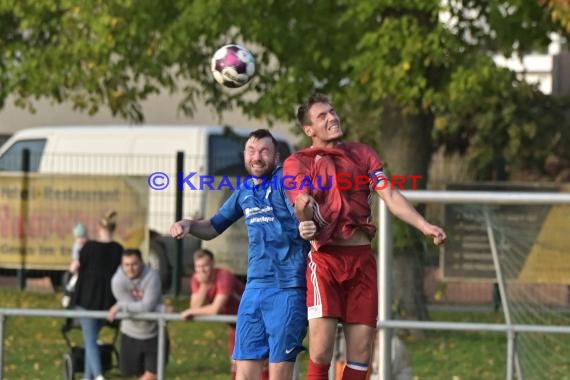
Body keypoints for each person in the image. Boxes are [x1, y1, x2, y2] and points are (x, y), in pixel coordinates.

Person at [283, 93, 447, 380]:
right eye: (322, 116)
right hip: (326, 263)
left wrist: (424, 225)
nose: (332, 117)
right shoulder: (298, 162)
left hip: (362, 262)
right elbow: (301, 200)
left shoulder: (362, 154)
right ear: (309, 130)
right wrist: (304, 217)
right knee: (321, 352)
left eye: (333, 112)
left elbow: (390, 194)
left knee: (360, 357)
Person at [170, 129, 308, 380]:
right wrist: (189, 224)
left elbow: (303, 211)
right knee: (244, 372)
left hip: (287, 288)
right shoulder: (244, 191)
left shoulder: (286, 183)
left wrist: (306, 219)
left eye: (264, 151)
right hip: (253, 289)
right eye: (252, 151)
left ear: (276, 157)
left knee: (279, 373)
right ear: (245, 155)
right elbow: (212, 227)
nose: (257, 157)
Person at [180, 249, 265, 380]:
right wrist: (204, 285)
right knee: (236, 367)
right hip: (236, 326)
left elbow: (215, 308)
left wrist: (191, 311)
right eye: (198, 267)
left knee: (259, 365)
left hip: (254, 322)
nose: (202, 271)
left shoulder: (224, 276)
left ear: (213, 264)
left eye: (205, 266)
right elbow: (195, 307)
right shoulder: (197, 279)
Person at [72, 210, 123, 380]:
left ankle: (99, 376)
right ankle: (88, 378)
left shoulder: (89, 247)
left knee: (90, 340)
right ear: (114, 228)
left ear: (98, 227)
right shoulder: (118, 249)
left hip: (87, 299)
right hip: (108, 301)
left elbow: (77, 266)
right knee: (91, 339)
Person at [108, 249, 167, 380]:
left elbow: (146, 307)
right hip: (130, 332)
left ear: (142, 263)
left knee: (152, 375)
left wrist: (121, 306)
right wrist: (160, 309)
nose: (130, 269)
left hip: (154, 332)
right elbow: (140, 309)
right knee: (135, 374)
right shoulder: (117, 280)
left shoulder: (152, 276)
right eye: (126, 265)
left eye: (134, 264)